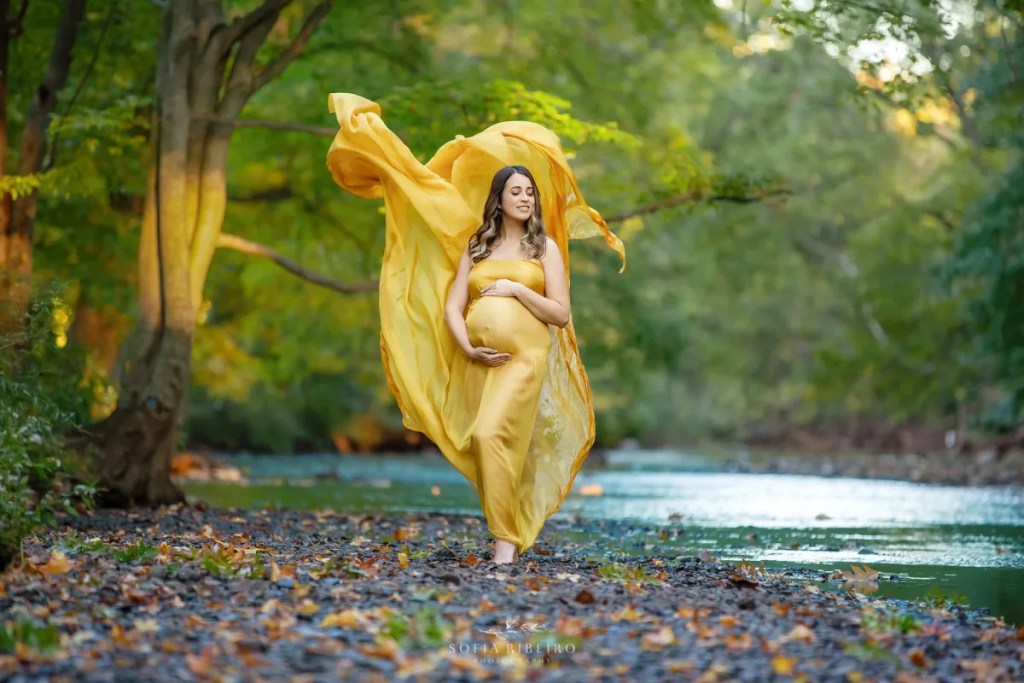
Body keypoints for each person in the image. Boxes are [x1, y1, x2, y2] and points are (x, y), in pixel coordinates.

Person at [325, 93, 625, 566]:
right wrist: (466, 344)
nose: (526, 198)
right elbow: (452, 304)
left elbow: (561, 313)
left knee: (490, 437)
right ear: (499, 200)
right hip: (478, 359)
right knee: (481, 442)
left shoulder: (544, 249)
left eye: (530, 193)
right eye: (517, 192)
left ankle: (505, 543)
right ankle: (507, 533)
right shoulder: (478, 244)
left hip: (523, 360)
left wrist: (516, 290)